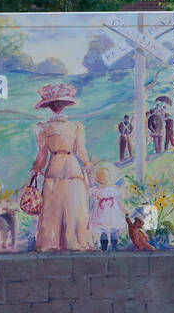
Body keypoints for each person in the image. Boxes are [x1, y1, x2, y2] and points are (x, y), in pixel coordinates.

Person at [29, 82, 95, 251]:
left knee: (58, 204)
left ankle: (60, 242)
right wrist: (36, 168)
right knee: (63, 203)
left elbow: (43, 153)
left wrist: (36, 169)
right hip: (64, 165)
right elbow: (80, 150)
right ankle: (63, 242)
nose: (57, 107)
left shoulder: (47, 127)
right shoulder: (68, 126)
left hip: (62, 166)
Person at [89, 164, 126, 251]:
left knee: (110, 231)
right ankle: (107, 247)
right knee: (106, 231)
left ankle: (112, 247)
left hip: (108, 213)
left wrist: (123, 209)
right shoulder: (100, 190)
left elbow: (118, 201)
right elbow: (118, 201)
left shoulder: (111, 190)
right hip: (106, 213)